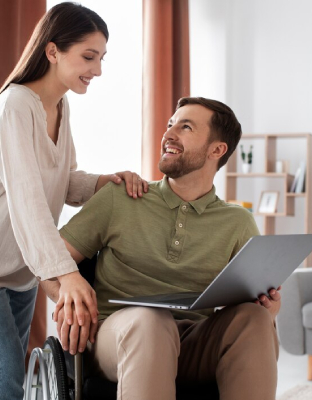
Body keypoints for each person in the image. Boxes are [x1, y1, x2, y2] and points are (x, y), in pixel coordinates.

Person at [0, 3, 148, 399]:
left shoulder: (59, 106)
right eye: (89, 56)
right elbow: (28, 201)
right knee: (3, 369)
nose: (98, 70)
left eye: (101, 58)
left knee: (7, 365)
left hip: (19, 268)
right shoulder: (16, 106)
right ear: (52, 51)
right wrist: (66, 273)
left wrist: (106, 181)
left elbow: (65, 182)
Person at [42, 97, 281, 400]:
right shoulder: (122, 196)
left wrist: (269, 308)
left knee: (256, 319)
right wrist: (67, 296)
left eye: (186, 127)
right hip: (117, 337)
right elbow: (49, 263)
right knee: (151, 321)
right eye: (170, 125)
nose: (168, 134)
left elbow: (251, 301)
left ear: (217, 150)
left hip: (193, 342)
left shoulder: (238, 222)